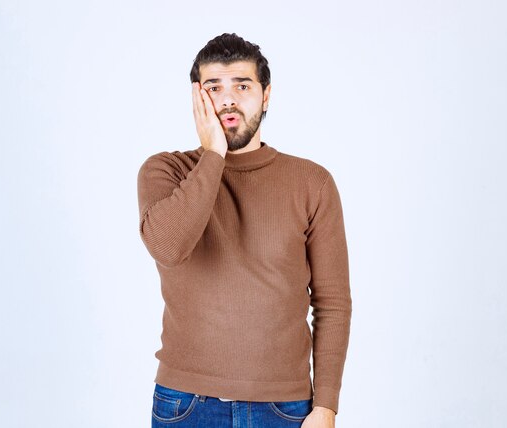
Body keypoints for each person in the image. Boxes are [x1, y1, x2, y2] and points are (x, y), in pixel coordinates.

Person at [137, 33, 352, 428]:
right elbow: (169, 246)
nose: (228, 99)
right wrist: (214, 154)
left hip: (285, 408)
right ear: (197, 98)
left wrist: (326, 406)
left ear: (266, 95)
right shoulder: (166, 171)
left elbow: (333, 302)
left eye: (242, 85)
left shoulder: (312, 182)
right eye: (214, 87)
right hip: (186, 404)